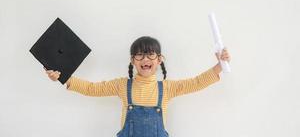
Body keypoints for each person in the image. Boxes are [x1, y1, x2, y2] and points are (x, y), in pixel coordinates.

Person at [45, 36, 231, 137]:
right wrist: (63, 78)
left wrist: (219, 65)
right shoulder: (121, 85)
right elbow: (92, 88)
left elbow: (196, 83)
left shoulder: (167, 88)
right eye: (139, 55)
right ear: (133, 60)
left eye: (150, 55)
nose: (145, 59)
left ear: (159, 60)